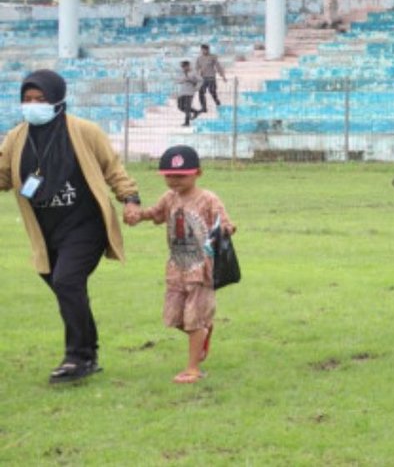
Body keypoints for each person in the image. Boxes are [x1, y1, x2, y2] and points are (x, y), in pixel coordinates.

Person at [0, 70, 142, 384]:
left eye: (40, 99)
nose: (33, 105)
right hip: (45, 229)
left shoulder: (83, 131)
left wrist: (130, 199)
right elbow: (3, 175)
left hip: (84, 225)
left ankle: (78, 358)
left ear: (57, 99)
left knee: (67, 282)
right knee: (66, 287)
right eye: (27, 99)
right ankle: (88, 352)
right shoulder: (16, 137)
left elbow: (112, 167)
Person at [129, 145, 235, 383]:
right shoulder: (169, 198)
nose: (174, 180)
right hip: (176, 267)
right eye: (169, 176)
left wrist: (226, 229)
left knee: (194, 318)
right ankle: (204, 332)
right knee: (174, 317)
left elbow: (225, 223)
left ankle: (193, 368)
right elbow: (155, 214)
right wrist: (138, 215)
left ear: (198, 173)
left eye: (181, 175)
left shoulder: (208, 199)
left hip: (201, 269)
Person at [194, 43, 227, 114]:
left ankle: (216, 101)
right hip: (203, 78)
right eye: (202, 50)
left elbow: (218, 67)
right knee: (201, 93)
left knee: (212, 91)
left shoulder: (213, 57)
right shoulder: (199, 59)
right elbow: (196, 69)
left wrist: (223, 76)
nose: (204, 51)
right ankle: (204, 107)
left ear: (208, 50)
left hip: (211, 77)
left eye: (205, 50)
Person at [174, 60, 200, 126]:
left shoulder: (194, 73)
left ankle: (187, 122)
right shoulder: (181, 73)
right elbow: (177, 81)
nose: (183, 68)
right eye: (182, 67)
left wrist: (196, 87)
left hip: (190, 92)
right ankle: (195, 111)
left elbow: (200, 81)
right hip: (182, 92)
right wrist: (182, 80)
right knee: (180, 107)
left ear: (188, 66)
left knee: (187, 107)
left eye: (185, 66)